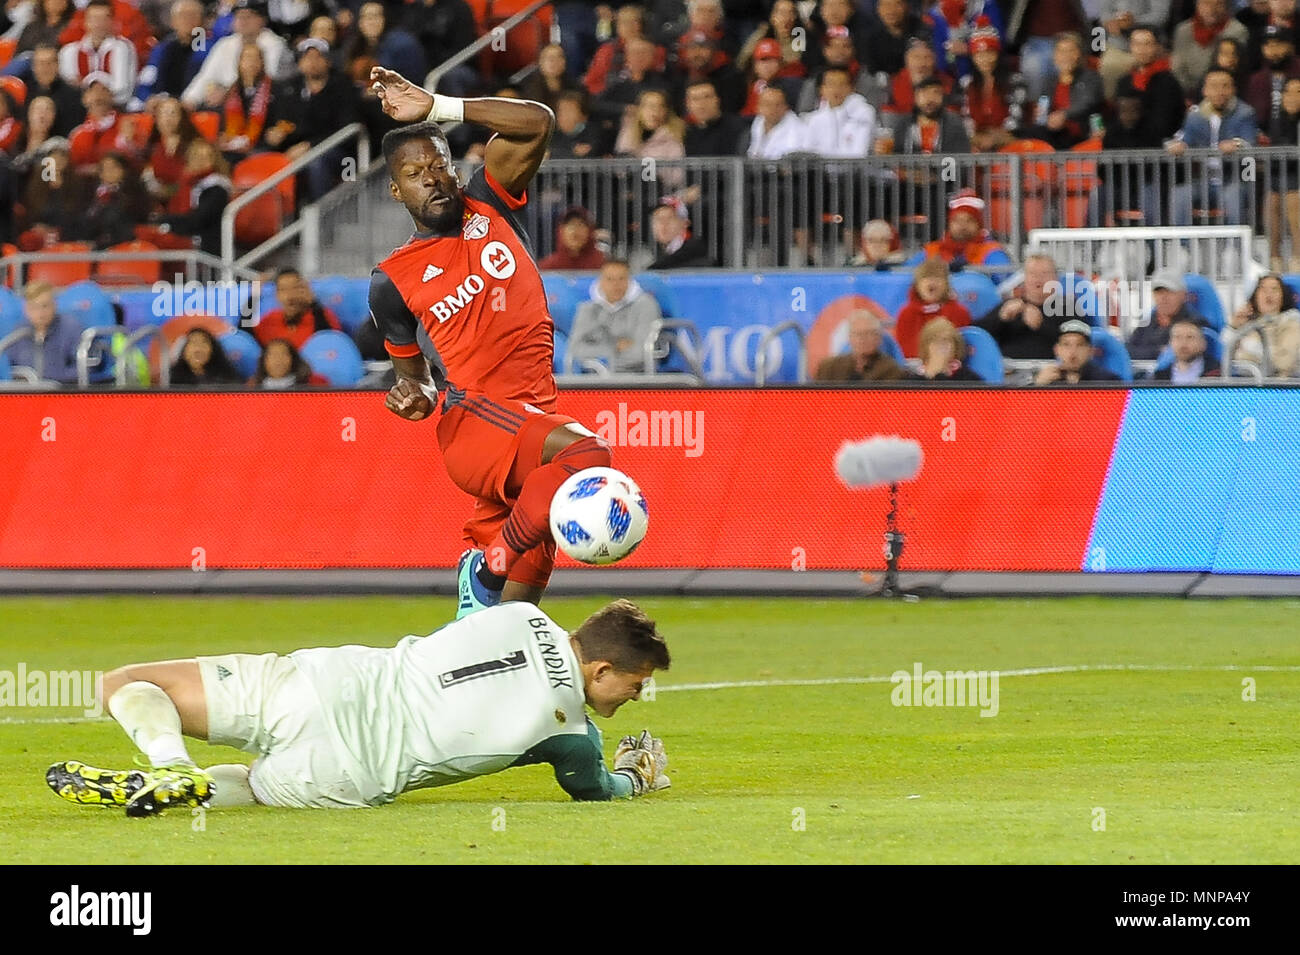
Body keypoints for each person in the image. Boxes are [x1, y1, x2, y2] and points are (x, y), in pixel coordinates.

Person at [365, 67, 623, 618]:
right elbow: (417, 384)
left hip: (529, 417)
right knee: (588, 455)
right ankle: (485, 568)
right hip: (478, 422)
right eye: (415, 173)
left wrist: (438, 105)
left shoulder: (491, 203)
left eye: (439, 165)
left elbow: (537, 124)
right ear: (397, 190)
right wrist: (413, 397)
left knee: (515, 619)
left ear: (456, 171)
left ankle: (478, 622)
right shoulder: (391, 280)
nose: (432, 178)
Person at [45, 599, 672, 815]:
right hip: (351, 773)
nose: (638, 695)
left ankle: (168, 762)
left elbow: (476, 585)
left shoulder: (516, 611)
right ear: (602, 669)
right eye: (636, 684)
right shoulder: (574, 737)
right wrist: (633, 778)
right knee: (259, 788)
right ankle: (196, 790)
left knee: (125, 682)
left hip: (321, 685)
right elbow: (596, 791)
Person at [1165, 67, 1258, 225]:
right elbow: (1182, 139)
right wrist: (1176, 146)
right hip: (1202, 181)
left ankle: (1235, 247)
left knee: (1233, 196)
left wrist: (1237, 144)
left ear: (1233, 89)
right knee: (1179, 194)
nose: (1220, 91)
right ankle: (1183, 247)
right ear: (1205, 90)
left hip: (1232, 180)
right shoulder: (1195, 116)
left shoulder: (1245, 113)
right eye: (1214, 86)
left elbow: (1249, 141)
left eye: (1225, 86)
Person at [180, 0, 292, 111]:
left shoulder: (274, 44)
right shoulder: (226, 44)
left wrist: (228, 93)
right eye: (238, 16)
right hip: (231, 104)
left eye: (248, 17)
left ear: (262, 20)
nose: (243, 21)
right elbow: (206, 76)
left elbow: (269, 79)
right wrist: (189, 100)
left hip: (265, 104)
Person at [567, 259, 663, 372]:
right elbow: (575, 350)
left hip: (636, 377)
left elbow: (641, 354)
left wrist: (597, 355)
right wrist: (614, 347)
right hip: (594, 378)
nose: (616, 284)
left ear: (630, 281)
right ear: (600, 282)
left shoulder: (646, 305)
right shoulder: (587, 309)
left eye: (621, 279)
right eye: (610, 279)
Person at [905, 191, 1012, 282]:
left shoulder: (991, 251)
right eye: (956, 220)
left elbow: (1006, 281)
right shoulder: (932, 250)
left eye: (969, 220)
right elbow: (904, 274)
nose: (962, 226)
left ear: (979, 225)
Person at [977, 253, 1067, 359]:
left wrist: (1041, 325)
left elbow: (1078, 342)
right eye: (1033, 274)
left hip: (1051, 367)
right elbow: (977, 335)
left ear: (1056, 278)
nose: (1038, 279)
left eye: (1044, 274)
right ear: (1024, 279)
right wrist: (1000, 318)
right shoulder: (1009, 306)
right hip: (1009, 368)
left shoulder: (1067, 307)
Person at [154, 138, 232, 256]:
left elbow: (197, 220)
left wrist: (163, 221)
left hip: (207, 252)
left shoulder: (217, 188)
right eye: (195, 156)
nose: (200, 161)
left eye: (206, 157)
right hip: (184, 244)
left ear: (214, 161)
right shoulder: (185, 184)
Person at [56, 0, 137, 108]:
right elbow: (67, 91)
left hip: (115, 111)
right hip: (77, 113)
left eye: (104, 18)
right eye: (94, 18)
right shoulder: (69, 52)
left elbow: (124, 91)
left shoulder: (123, 48)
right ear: (85, 21)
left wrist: (97, 98)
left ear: (112, 21)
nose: (99, 24)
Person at [1114, 26, 1187, 145]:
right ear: (1130, 47)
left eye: (1147, 44)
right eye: (1137, 44)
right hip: (1127, 146)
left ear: (1157, 47)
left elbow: (1165, 123)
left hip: (1158, 148)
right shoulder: (1124, 81)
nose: (1141, 49)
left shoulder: (1168, 81)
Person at [893, 257, 972, 358]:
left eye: (937, 278)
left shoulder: (959, 312)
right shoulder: (907, 314)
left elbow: (961, 350)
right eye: (926, 278)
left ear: (946, 284)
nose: (931, 282)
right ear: (917, 285)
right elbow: (904, 353)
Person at [4, 280, 81, 383]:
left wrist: (53, 380)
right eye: (34, 307)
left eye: (45, 306)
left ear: (55, 305)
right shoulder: (18, 333)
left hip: (62, 393)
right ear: (26, 309)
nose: (40, 313)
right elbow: (8, 367)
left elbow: (84, 369)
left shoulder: (71, 328)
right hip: (25, 393)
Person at [134, 0, 209, 104]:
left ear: (203, 20)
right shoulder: (162, 49)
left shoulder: (210, 47)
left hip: (196, 105)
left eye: (193, 15)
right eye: (183, 15)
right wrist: (149, 98)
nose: (188, 19)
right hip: (164, 105)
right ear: (173, 21)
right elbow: (147, 79)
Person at [1225, 272, 1300, 376]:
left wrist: (1253, 348)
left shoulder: (1291, 323)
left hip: (1276, 387)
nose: (1268, 294)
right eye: (1263, 289)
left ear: (1284, 296)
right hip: (1240, 386)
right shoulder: (1246, 324)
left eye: (1274, 289)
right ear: (1255, 296)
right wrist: (1232, 328)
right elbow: (1222, 358)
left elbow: (1284, 363)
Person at [1172, 0, 1250, 97]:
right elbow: (1177, 68)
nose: (1212, 9)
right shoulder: (1183, 31)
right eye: (1206, 3)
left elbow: (1234, 69)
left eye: (1218, 4)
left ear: (1226, 6)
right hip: (1187, 92)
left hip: (1222, 92)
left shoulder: (1237, 31)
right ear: (1197, 5)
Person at [1127, 271, 1209, 360]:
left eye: (1170, 292)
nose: (1163, 298)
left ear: (1183, 295)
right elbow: (1127, 350)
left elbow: (1183, 354)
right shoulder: (1147, 322)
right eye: (1159, 292)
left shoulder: (1196, 322)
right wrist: (1158, 351)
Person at [251, 268, 341, 348]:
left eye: (295, 288)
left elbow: (330, 347)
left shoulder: (322, 316)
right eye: (283, 289)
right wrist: (253, 297)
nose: (290, 296)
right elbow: (245, 339)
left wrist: (314, 304)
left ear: (305, 290)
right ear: (277, 295)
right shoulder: (270, 319)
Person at [813, 310, 908, 381]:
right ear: (849, 338)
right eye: (858, 334)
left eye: (869, 333)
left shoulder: (891, 370)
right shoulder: (829, 368)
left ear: (879, 338)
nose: (863, 339)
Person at [1034, 318, 1121, 384]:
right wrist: (1037, 387)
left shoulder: (1107, 381)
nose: (1073, 351)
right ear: (1057, 350)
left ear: (1090, 351)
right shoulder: (1048, 378)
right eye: (1066, 345)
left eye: (1080, 345)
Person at [682, 78, 745, 156]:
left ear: (717, 100)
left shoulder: (736, 128)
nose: (701, 104)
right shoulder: (687, 135)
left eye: (707, 97)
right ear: (688, 105)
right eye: (695, 99)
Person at [1149, 315, 1222, 381]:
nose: (1183, 343)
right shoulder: (1160, 377)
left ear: (1203, 344)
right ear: (1170, 343)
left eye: (1190, 337)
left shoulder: (1218, 373)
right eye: (1177, 337)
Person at [910, 316, 982, 381]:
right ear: (925, 347)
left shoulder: (967, 378)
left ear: (955, 347)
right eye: (935, 341)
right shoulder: (913, 378)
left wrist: (941, 371)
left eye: (946, 341)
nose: (941, 347)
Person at [648, 195, 712, 268]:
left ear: (685, 223)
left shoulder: (694, 249)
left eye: (669, 218)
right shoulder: (664, 252)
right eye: (658, 219)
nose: (663, 224)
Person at [538, 205, 607, 270]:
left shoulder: (604, 265)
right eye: (570, 226)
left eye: (580, 225)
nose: (575, 231)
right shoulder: (547, 268)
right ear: (561, 231)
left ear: (590, 231)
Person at [168, 327, 244, 386]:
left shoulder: (228, 378)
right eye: (193, 342)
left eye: (204, 342)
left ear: (213, 350)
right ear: (183, 352)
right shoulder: (173, 379)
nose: (198, 346)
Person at [249, 336, 327, 388]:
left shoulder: (313, 383)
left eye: (284, 354)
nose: (278, 360)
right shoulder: (252, 386)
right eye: (273, 355)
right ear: (264, 360)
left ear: (293, 359)